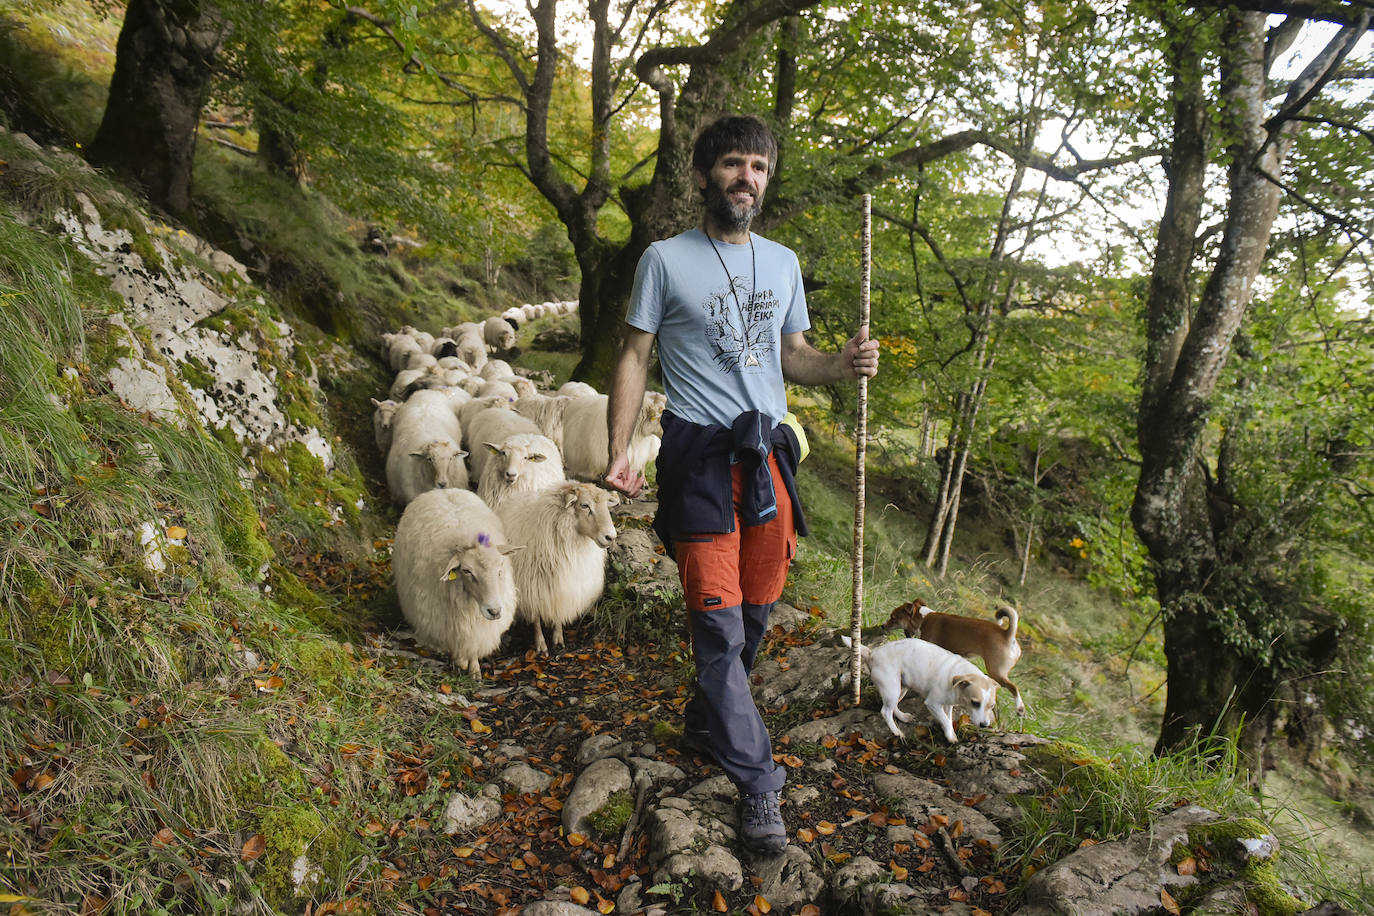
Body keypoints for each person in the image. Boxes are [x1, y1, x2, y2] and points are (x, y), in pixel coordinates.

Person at [603, 113, 879, 856]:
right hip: (697, 459)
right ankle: (758, 782)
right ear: (703, 176)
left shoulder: (783, 263)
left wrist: (842, 364)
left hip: (768, 462)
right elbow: (634, 355)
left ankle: (706, 722)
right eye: (731, 164)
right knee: (719, 628)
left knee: (755, 616)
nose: (745, 178)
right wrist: (619, 447)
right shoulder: (664, 260)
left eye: (757, 167)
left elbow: (794, 356)